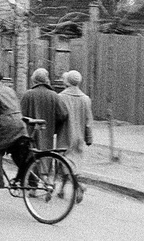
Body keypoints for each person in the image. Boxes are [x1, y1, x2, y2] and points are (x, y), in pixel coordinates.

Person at [58, 70, 93, 203]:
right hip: (79, 136)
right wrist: (89, 137)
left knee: (64, 163)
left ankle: (79, 186)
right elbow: (88, 121)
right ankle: (61, 189)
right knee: (73, 164)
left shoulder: (61, 97)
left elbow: (59, 117)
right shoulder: (85, 98)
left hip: (65, 135)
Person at [20, 68, 68, 150]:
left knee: (30, 156)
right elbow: (63, 114)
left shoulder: (27, 95)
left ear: (34, 80)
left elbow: (21, 115)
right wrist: (55, 126)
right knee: (46, 154)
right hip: (48, 132)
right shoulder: (54, 95)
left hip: (29, 132)